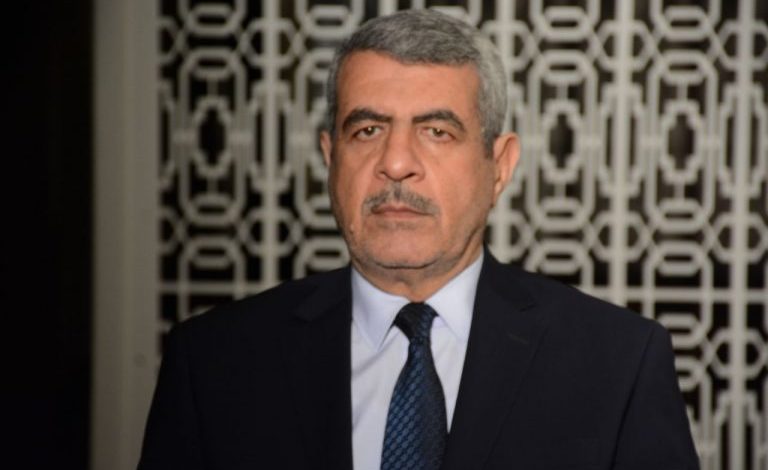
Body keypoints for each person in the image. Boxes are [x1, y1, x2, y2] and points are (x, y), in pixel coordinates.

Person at [138, 9, 699, 470]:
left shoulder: (618, 363)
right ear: (331, 159)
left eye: (437, 131)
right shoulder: (213, 364)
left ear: (499, 167)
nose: (397, 162)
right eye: (367, 130)